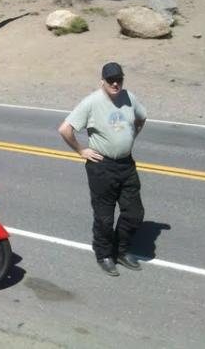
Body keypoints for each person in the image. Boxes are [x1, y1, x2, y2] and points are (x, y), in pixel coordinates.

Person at [58, 62, 147, 277]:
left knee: (134, 213)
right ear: (103, 82)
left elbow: (141, 118)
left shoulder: (129, 97)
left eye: (119, 79)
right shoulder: (91, 102)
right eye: (110, 80)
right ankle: (104, 254)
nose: (115, 83)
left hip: (126, 164)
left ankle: (122, 251)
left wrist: (131, 137)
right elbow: (65, 129)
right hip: (102, 166)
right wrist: (81, 150)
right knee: (105, 217)